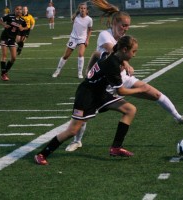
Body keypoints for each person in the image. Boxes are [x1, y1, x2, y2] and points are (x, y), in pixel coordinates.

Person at [65, 0, 183, 152]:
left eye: (128, 26)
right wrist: (126, 63)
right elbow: (111, 50)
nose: (126, 28)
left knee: (152, 92)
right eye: (123, 25)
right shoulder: (104, 35)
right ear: (114, 23)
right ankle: (77, 141)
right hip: (105, 82)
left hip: (122, 78)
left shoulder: (123, 39)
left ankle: (178, 117)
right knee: (85, 115)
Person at [34, 36, 148, 165]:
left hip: (100, 93)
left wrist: (89, 71)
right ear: (124, 49)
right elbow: (121, 91)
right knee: (72, 130)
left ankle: (116, 148)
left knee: (130, 110)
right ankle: (42, 154)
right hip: (86, 96)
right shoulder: (113, 64)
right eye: (134, 51)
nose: (135, 55)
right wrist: (140, 89)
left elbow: (96, 54)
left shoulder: (111, 55)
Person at [52, 2, 93, 79]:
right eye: (81, 8)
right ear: (79, 9)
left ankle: (79, 73)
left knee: (81, 54)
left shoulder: (89, 19)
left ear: (87, 10)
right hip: (73, 38)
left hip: (82, 39)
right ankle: (57, 71)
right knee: (65, 56)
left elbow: (90, 30)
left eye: (84, 8)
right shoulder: (75, 17)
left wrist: (87, 40)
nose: (83, 10)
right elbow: (73, 20)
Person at [0, 5, 28, 81]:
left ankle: (5, 71)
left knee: (14, 58)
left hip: (12, 39)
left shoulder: (22, 20)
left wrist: (22, 28)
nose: (19, 10)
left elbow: (26, 27)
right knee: (4, 55)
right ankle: (3, 74)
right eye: (17, 9)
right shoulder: (10, 16)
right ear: (15, 10)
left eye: (20, 9)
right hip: (4, 37)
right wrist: (4, 25)